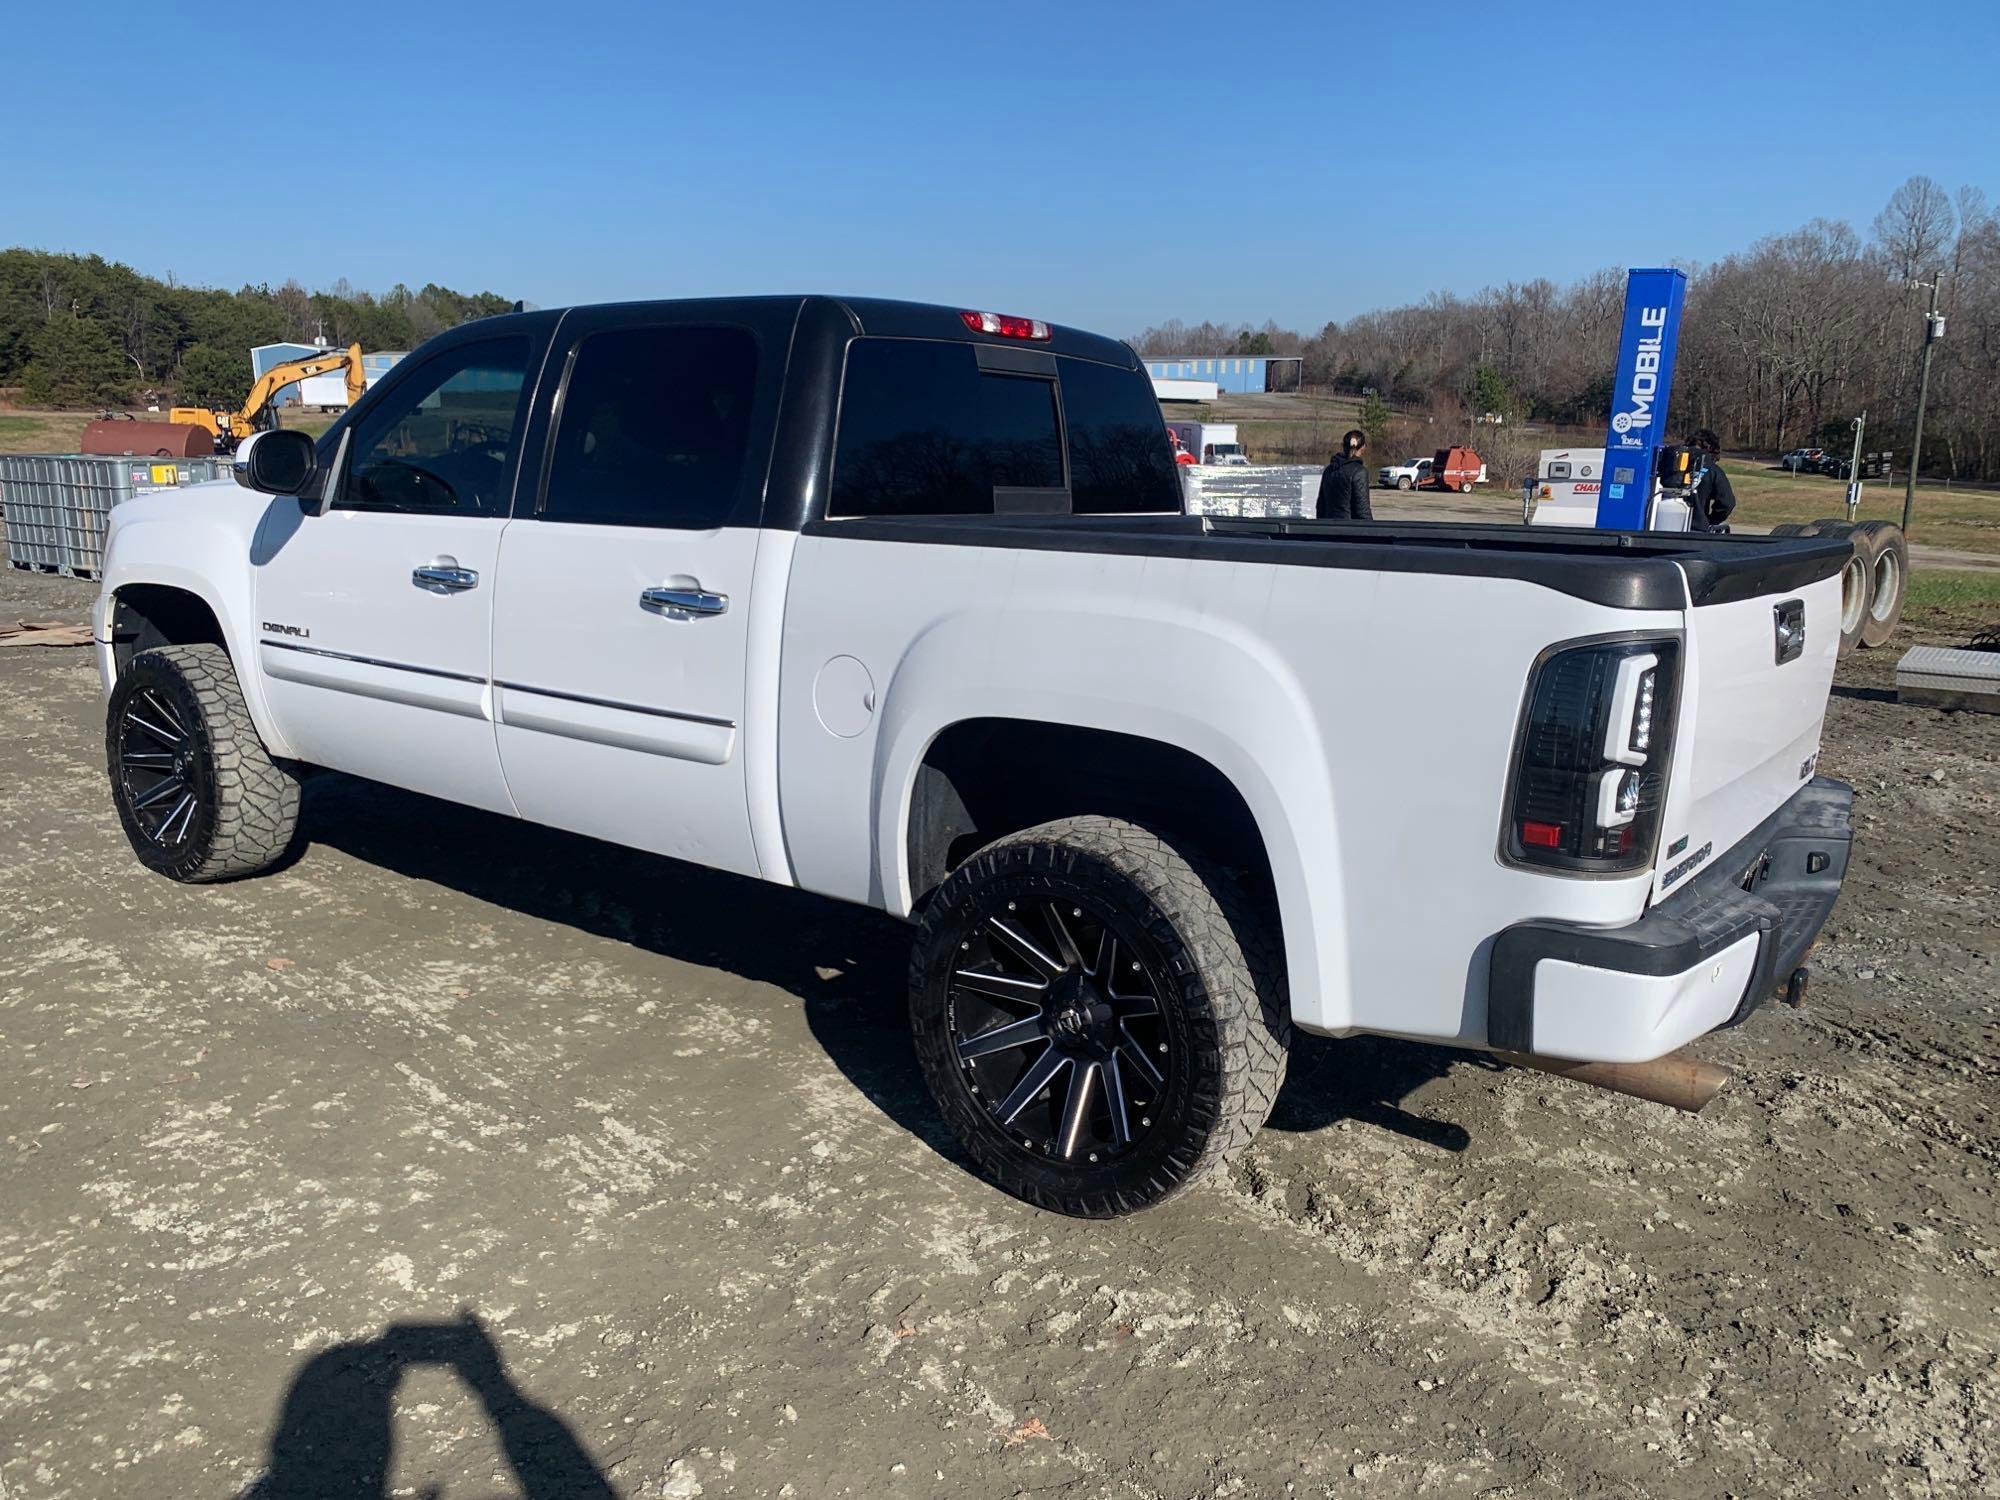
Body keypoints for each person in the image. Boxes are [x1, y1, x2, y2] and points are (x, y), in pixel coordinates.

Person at [1685, 429, 1737, 532]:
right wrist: (1709, 521)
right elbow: (1727, 503)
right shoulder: (1713, 471)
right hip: (1696, 530)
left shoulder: (1672, 464)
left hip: (1664, 525)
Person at [1316, 429, 1373, 521]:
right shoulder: (1359, 472)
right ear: (1363, 447)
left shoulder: (1329, 470)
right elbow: (1362, 510)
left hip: (1327, 527)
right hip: (1349, 529)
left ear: (1343, 446)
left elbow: (1320, 505)